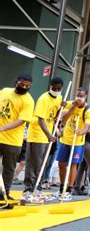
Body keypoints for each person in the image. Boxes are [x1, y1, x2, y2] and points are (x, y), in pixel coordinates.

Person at [22, 77, 64, 199]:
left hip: (47, 135)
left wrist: (61, 107)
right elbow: (41, 119)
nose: (56, 90)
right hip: (37, 133)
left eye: (58, 89)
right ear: (50, 86)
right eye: (54, 88)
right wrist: (49, 135)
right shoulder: (43, 99)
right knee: (34, 163)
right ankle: (28, 189)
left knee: (43, 163)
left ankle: (38, 187)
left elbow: (55, 117)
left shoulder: (60, 98)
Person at [0, 72, 34, 200]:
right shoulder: (5, 92)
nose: (24, 87)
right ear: (16, 81)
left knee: (8, 169)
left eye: (27, 86)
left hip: (13, 141)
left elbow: (21, 120)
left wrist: (2, 128)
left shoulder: (28, 100)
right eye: (22, 84)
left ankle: (4, 194)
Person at [57, 88, 90, 201]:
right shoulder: (70, 104)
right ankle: (61, 187)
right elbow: (63, 120)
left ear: (86, 96)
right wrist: (72, 107)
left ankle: (70, 189)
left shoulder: (88, 111)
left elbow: (87, 128)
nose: (79, 98)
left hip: (77, 142)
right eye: (77, 95)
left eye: (81, 96)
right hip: (65, 139)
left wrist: (80, 132)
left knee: (73, 164)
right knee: (61, 164)